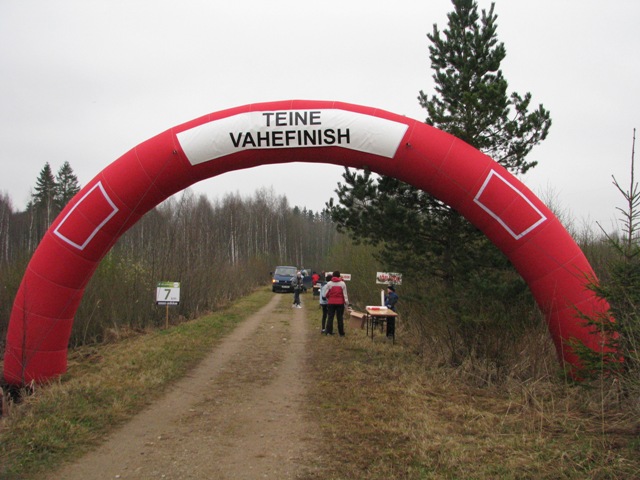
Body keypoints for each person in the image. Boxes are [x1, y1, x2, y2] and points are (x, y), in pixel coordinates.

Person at [324, 271, 349, 336]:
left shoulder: (329, 283)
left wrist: (329, 298)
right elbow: (345, 295)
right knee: (340, 318)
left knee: (330, 317)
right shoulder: (342, 283)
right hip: (340, 303)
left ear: (333, 276)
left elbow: (325, 294)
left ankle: (329, 332)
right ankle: (341, 333)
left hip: (331, 302)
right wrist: (346, 303)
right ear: (339, 276)